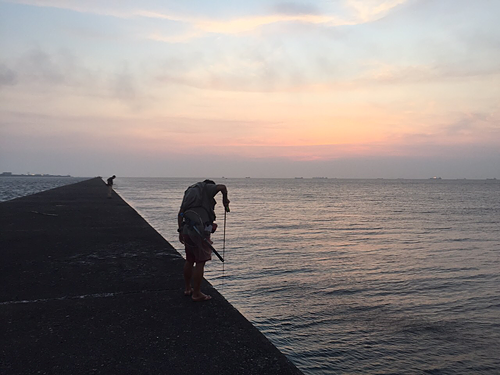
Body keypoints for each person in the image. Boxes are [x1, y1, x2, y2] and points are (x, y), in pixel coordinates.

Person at [178, 179, 230, 302]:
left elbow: (180, 213)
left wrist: (180, 231)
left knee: (189, 260)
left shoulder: (190, 191)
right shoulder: (207, 188)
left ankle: (187, 288)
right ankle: (197, 294)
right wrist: (225, 200)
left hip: (186, 229)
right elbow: (223, 187)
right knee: (200, 262)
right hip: (199, 233)